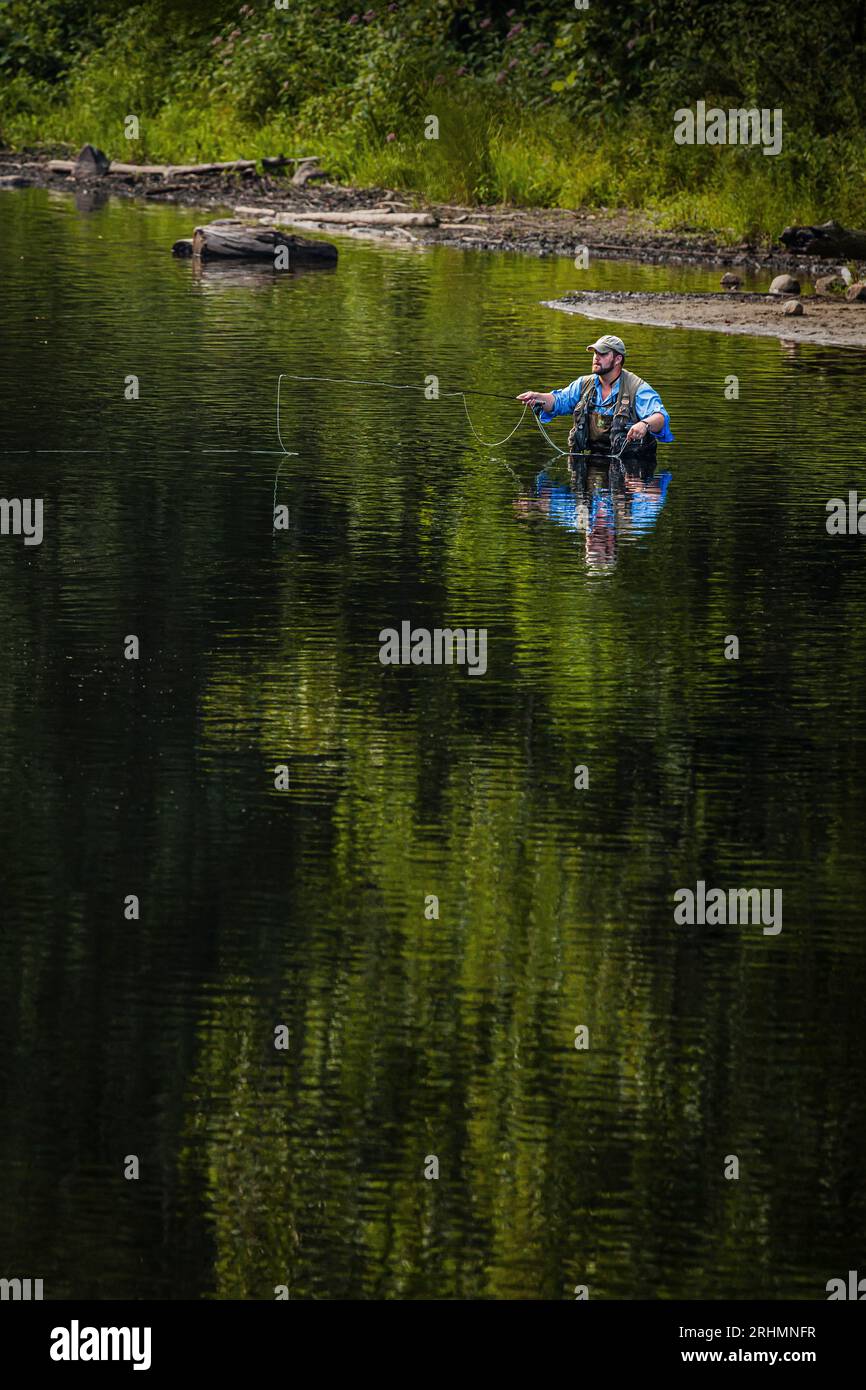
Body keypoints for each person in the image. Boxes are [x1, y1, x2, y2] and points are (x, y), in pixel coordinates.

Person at [517, 334, 674, 460]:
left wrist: (644, 425)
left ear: (618, 359)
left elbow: (661, 417)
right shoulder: (584, 384)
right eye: (595, 353)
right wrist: (537, 397)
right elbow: (559, 401)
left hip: (633, 473)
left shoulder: (637, 388)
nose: (596, 357)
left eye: (603, 354)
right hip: (589, 468)